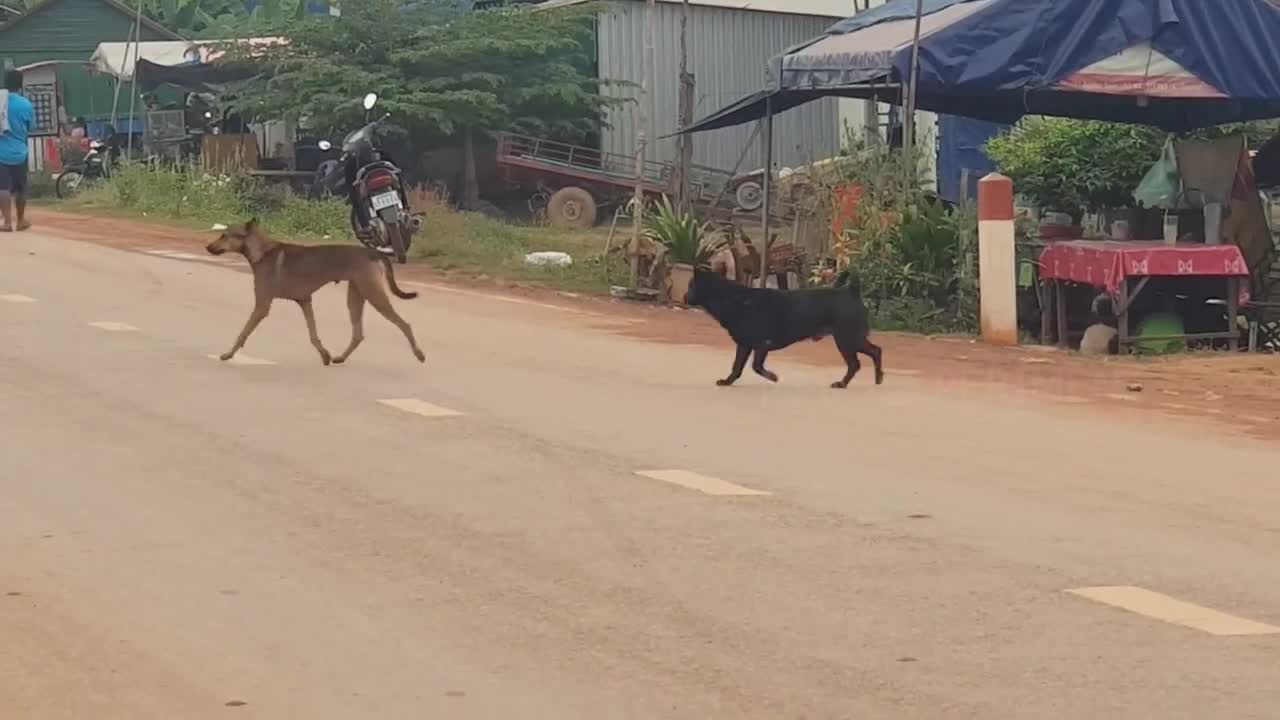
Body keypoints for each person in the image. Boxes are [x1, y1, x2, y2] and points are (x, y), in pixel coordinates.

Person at [0, 69, 35, 232]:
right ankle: (20, 220)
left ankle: (6, 222)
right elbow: (31, 128)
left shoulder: (1, 102)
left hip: (1, 153)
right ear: (20, 85)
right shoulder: (26, 104)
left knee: (3, 188)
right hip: (20, 153)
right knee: (21, 188)